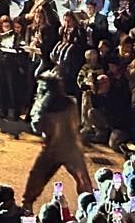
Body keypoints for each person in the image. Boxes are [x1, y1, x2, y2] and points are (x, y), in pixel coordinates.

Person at [22, 72, 93, 202]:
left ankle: (27, 205)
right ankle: (90, 205)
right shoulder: (71, 102)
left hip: (53, 149)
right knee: (83, 180)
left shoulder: (45, 108)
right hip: (72, 148)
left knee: (36, 177)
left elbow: (38, 128)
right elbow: (77, 123)